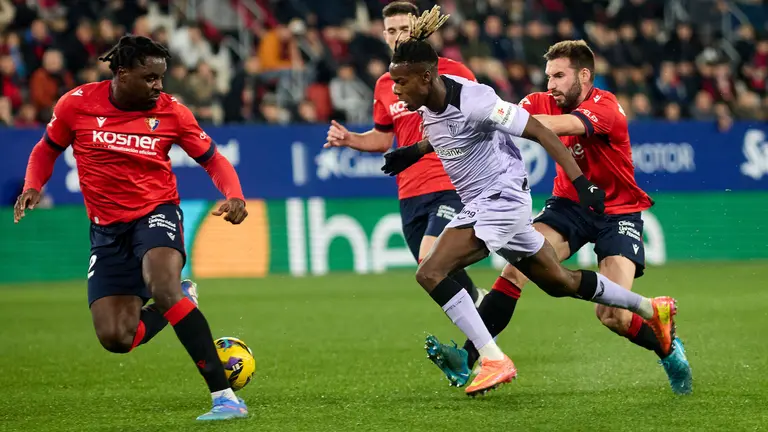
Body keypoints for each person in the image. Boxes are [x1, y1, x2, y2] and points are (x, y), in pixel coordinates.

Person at [380, 7, 679, 397]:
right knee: (557, 282)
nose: (395, 92)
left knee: (431, 271)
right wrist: (415, 151)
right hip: (548, 205)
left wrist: (580, 181)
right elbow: (455, 129)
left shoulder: (597, 106)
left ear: (583, 75)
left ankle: (491, 359)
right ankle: (650, 307)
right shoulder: (431, 103)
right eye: (548, 76)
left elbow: (542, 129)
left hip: (559, 203)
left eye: (559, 76)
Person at [13, 36, 249, 421]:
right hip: (107, 231)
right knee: (117, 337)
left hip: (156, 212)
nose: (159, 86)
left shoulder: (173, 112)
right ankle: (182, 298)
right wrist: (33, 185)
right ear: (122, 74)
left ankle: (225, 398)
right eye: (150, 78)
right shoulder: (76, 104)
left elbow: (213, 159)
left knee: (162, 287)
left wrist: (234, 194)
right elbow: (46, 149)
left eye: (161, 77)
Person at [324, 1, 486, 306]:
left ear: (419, 29)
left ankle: (483, 310)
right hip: (410, 192)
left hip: (451, 182)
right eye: (391, 30)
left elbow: (482, 118)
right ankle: (480, 305)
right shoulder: (385, 84)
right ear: (383, 35)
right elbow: (383, 138)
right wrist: (350, 139)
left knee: (430, 258)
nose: (397, 35)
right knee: (431, 272)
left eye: (404, 28)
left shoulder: (454, 71)